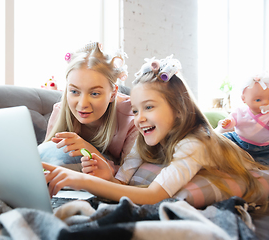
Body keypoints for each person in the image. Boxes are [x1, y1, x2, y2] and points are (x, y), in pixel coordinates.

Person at [42, 56, 267, 206]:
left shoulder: (194, 144)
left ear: (178, 110)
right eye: (135, 109)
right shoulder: (144, 138)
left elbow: (153, 196)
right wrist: (108, 176)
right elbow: (122, 184)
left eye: (148, 107)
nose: (139, 119)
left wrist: (79, 180)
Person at [38, 42, 138, 173]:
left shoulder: (133, 118)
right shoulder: (61, 110)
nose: (82, 104)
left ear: (113, 93)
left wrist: (88, 148)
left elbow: (129, 177)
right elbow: (47, 154)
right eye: (74, 91)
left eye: (95, 93)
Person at [216, 73, 269, 165]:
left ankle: (253, 164)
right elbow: (232, 120)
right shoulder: (240, 111)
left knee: (263, 162)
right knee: (221, 140)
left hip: (263, 148)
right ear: (243, 99)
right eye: (258, 100)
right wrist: (228, 123)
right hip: (238, 141)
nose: (265, 103)